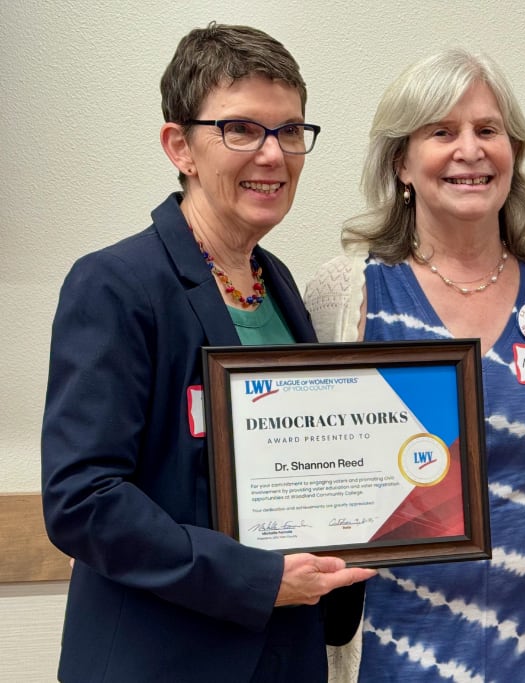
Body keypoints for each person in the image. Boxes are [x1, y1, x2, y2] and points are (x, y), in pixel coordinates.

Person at [41, 23, 374, 682]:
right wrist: (255, 576)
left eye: (289, 131)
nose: (273, 155)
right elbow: (82, 498)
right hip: (160, 659)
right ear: (180, 146)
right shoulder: (115, 285)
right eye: (242, 129)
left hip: (286, 654)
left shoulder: (280, 285)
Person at [304, 48, 525, 682]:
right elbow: (301, 451)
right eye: (441, 132)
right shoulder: (349, 291)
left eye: (488, 130)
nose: (470, 149)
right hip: (401, 645)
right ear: (401, 161)